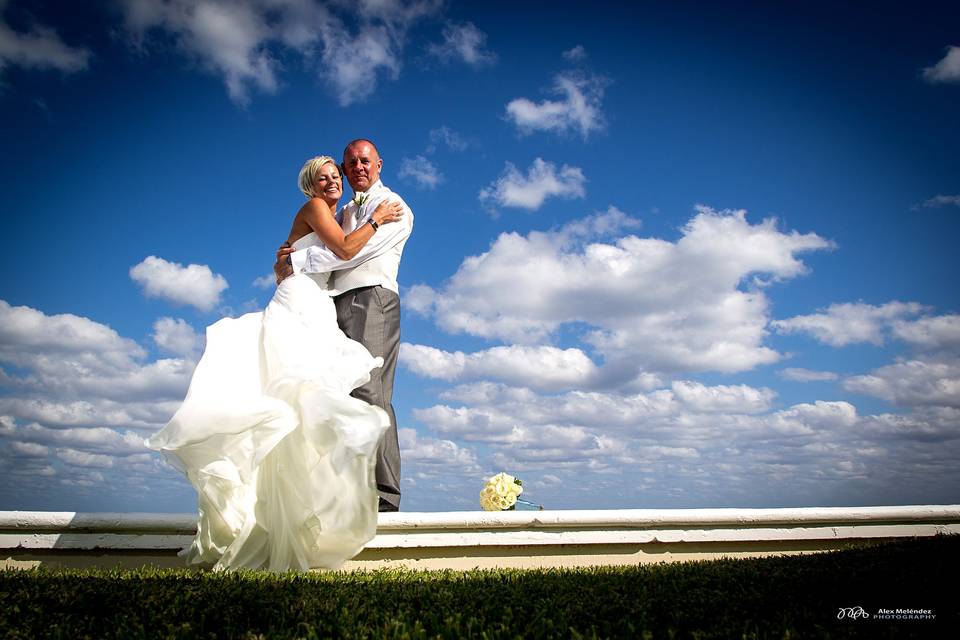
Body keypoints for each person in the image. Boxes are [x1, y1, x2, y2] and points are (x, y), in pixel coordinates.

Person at [147, 155, 404, 572]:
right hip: (303, 300)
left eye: (335, 175)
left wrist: (296, 259)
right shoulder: (319, 209)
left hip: (317, 300)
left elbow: (333, 256)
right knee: (297, 394)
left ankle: (305, 506)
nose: (332, 181)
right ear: (310, 187)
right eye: (323, 178)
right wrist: (374, 220)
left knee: (307, 401)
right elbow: (343, 250)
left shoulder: (341, 213)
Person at [274, 139, 414, 513]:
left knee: (372, 392)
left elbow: (351, 252)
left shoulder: (394, 207)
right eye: (350, 163)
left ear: (379, 164)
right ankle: (346, 490)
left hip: (372, 299)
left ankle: (384, 494)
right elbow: (338, 247)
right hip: (332, 305)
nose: (357, 168)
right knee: (339, 394)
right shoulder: (343, 210)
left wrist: (297, 260)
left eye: (364, 161)